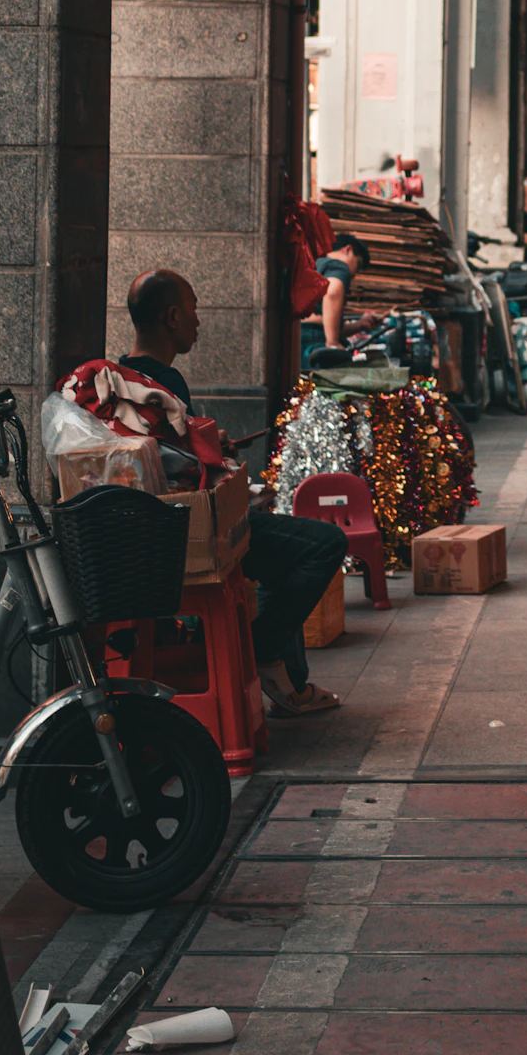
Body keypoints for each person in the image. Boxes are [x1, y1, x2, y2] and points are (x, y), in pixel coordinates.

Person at [121, 268, 347, 718]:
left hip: (160, 529)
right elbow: (177, 474)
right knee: (325, 545)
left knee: (284, 553)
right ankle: (263, 653)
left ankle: (288, 680)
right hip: (187, 533)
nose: (199, 322)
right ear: (172, 317)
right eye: (194, 311)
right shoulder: (161, 384)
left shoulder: (122, 375)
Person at [317, 232, 372, 348]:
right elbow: (332, 291)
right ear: (348, 250)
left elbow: (330, 326)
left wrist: (360, 325)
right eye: (358, 265)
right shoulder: (339, 266)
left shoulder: (315, 264)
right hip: (313, 339)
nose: (354, 274)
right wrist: (333, 343)